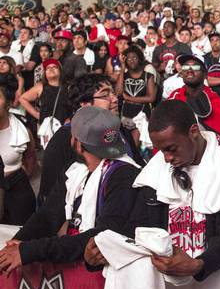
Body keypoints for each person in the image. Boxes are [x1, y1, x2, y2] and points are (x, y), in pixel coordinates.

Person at [95, 100, 220, 282]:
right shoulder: (156, 168)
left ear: (193, 131)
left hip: (219, 282)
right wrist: (105, 248)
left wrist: (199, 264)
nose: (167, 158)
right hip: (167, 284)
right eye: (161, 151)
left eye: (171, 149)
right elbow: (138, 227)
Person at [0, 106, 140, 274]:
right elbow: (48, 215)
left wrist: (30, 251)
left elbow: (101, 237)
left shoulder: (123, 175)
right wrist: (18, 242)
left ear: (77, 143)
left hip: (105, 276)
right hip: (76, 266)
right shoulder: (75, 171)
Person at [0, 74, 36, 225]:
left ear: (8, 103)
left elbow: (30, 157)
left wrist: (22, 177)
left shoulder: (22, 132)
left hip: (16, 190)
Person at [168, 54, 220, 137]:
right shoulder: (174, 96)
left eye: (195, 67)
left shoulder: (214, 101)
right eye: (185, 67)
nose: (189, 70)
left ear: (205, 75)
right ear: (181, 74)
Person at [116, 45, 156, 148]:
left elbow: (151, 98)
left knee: (134, 148)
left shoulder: (148, 76)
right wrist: (122, 69)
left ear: (140, 59)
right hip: (125, 115)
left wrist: (130, 98)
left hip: (141, 117)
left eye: (134, 58)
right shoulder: (124, 75)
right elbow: (119, 92)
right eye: (128, 58)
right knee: (125, 147)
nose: (131, 60)